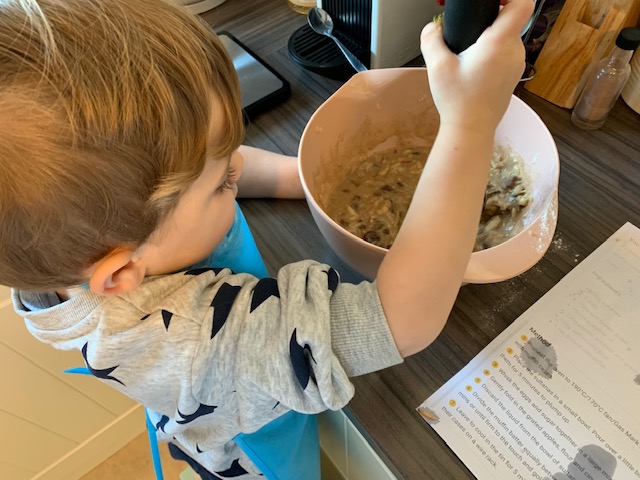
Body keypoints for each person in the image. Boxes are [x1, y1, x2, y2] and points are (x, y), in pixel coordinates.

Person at [0, 0, 534, 478]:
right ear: (121, 274)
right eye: (222, 185)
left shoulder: (75, 246)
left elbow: (206, 168)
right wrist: (469, 124)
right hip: (248, 443)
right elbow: (400, 321)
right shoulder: (198, 340)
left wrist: (308, 182)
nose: (235, 168)